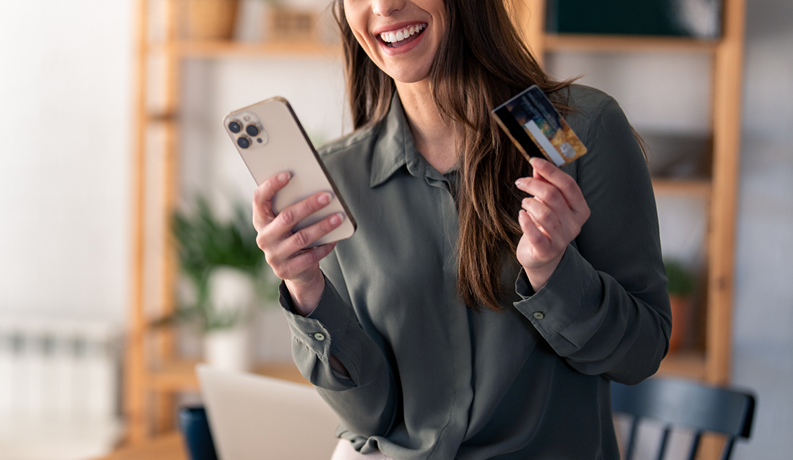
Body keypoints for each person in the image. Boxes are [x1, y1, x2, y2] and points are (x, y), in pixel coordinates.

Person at [251, 0, 671, 458]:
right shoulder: (338, 178)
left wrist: (555, 273)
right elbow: (371, 416)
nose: (385, 6)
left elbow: (641, 354)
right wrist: (306, 289)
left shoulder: (578, 130)